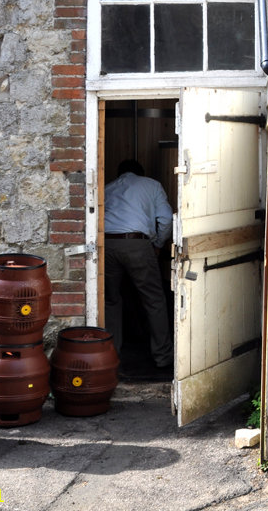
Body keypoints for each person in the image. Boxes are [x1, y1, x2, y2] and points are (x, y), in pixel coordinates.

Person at [104, 159, 173, 376]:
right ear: (140, 173)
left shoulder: (107, 187)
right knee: (154, 300)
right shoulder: (152, 185)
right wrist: (159, 244)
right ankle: (162, 357)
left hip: (107, 244)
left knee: (110, 301)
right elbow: (167, 218)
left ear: (120, 173)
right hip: (137, 242)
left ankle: (111, 357)